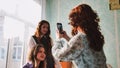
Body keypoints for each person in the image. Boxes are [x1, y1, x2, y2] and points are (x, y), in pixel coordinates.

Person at [52, 4, 107, 68]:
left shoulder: (80, 38)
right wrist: (66, 37)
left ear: (76, 21)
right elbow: (80, 47)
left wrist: (58, 39)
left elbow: (58, 55)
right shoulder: (93, 36)